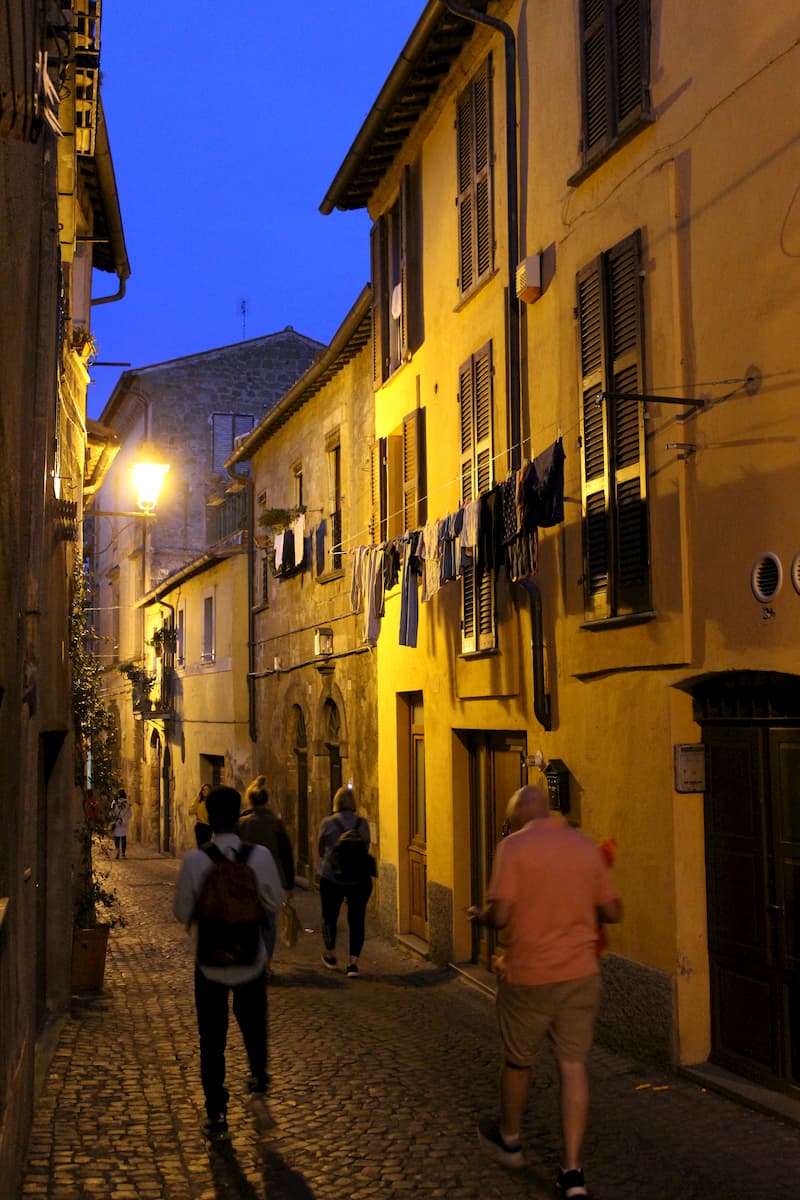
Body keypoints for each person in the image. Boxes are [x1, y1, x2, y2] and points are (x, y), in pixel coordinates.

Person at [471, 784, 622, 1199]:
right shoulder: (584, 845)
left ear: (520, 816)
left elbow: (501, 916)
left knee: (519, 1060)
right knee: (573, 1065)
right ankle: (573, 1172)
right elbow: (613, 910)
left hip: (530, 974)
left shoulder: (513, 848)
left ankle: (511, 1138)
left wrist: (483, 917)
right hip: (579, 973)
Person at [173, 785, 283, 1142]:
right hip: (251, 959)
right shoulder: (260, 856)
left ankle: (217, 1113)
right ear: (238, 816)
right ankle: (257, 1084)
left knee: (212, 1038)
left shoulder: (195, 861)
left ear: (209, 817)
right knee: (254, 1027)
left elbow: (181, 911)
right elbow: (274, 902)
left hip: (210, 963)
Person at [236, 775, 295, 964]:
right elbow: (286, 853)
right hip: (272, 877)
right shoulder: (275, 824)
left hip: (247, 879)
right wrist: (289, 883)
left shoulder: (242, 823)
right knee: (269, 921)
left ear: (250, 799)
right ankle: (266, 962)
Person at [317, 784, 374, 977]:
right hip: (359, 879)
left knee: (330, 917)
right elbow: (365, 847)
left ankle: (331, 954)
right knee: (357, 920)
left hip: (331, 878)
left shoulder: (327, 823)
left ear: (336, 802)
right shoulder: (363, 823)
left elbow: (319, 849)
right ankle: (353, 963)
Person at [110, 789, 132, 859]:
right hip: (124, 822)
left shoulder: (114, 802)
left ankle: (117, 850)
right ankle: (123, 853)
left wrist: (113, 820)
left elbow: (111, 812)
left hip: (116, 821)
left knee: (116, 837)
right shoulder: (127, 802)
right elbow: (130, 814)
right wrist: (126, 819)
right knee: (123, 838)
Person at [191, 783, 212, 847]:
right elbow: (191, 811)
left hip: (208, 827)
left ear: (210, 791)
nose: (205, 791)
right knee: (200, 846)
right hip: (200, 826)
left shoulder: (212, 802)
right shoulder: (199, 801)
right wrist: (197, 799)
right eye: (203, 790)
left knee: (206, 846)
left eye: (207, 790)